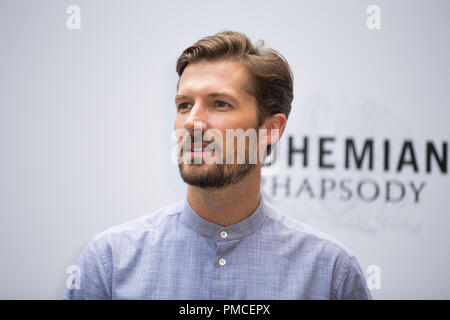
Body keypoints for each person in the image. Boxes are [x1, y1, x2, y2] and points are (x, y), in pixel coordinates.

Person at [64, 30, 372, 300]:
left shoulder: (331, 274)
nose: (193, 122)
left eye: (219, 103)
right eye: (184, 105)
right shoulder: (110, 263)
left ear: (270, 129)